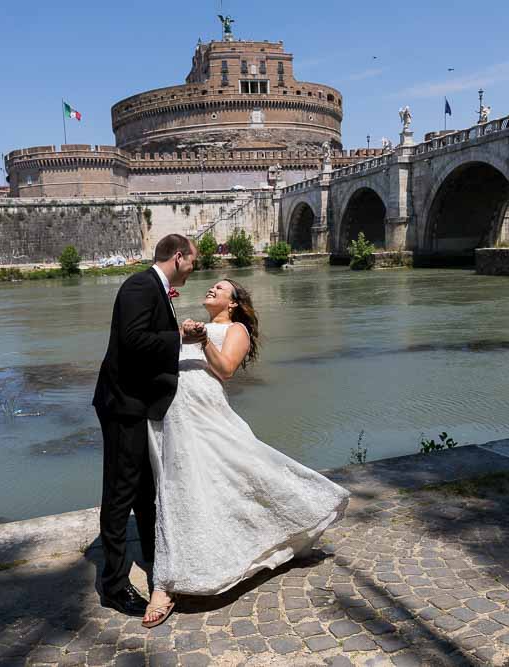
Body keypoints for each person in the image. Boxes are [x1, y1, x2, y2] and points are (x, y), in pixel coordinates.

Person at [142, 279, 351, 627]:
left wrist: (203, 340)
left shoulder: (235, 329)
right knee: (179, 488)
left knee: (243, 471)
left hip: (205, 411)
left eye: (219, 288)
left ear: (234, 302)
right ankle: (172, 578)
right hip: (173, 412)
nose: (211, 289)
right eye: (211, 286)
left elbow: (224, 370)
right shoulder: (188, 325)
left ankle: (163, 586)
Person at [92, 234, 204, 616]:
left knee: (144, 489)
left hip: (137, 403)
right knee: (121, 492)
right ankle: (113, 584)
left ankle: (157, 559)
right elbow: (134, 340)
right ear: (178, 257)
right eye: (193, 261)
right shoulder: (140, 285)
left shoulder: (156, 287)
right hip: (124, 405)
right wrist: (180, 337)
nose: (194, 268)